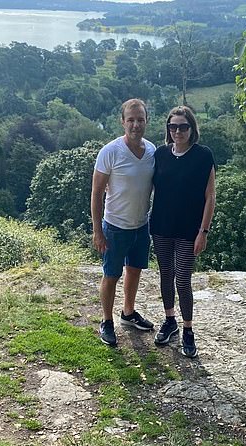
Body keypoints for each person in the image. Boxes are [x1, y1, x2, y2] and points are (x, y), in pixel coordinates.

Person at [150, 105, 216, 358]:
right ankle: (170, 320)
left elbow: (210, 197)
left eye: (183, 126)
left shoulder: (203, 155)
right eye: (173, 126)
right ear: (168, 129)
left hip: (190, 229)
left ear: (192, 128)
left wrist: (204, 231)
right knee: (165, 274)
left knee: (183, 279)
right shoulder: (160, 154)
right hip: (162, 226)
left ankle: (188, 329)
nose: (178, 131)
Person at [91, 98, 156, 346]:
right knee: (111, 274)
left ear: (146, 121)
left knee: (135, 270)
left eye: (140, 120)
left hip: (141, 225)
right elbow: (97, 192)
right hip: (115, 226)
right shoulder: (110, 152)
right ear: (122, 122)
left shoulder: (151, 151)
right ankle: (107, 321)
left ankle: (128, 313)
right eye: (131, 120)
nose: (135, 125)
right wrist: (98, 230)